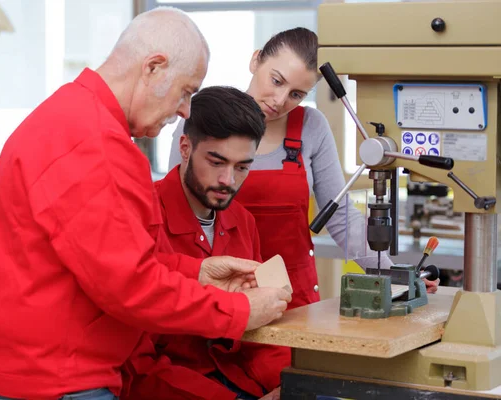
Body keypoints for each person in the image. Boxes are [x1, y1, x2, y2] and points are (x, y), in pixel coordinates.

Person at [0, 8, 292, 400]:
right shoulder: (99, 147)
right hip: (58, 378)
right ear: (153, 68)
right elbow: (132, 288)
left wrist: (198, 272)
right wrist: (239, 313)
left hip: (21, 364)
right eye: (186, 91)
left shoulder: (65, 114)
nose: (185, 111)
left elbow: (109, 258)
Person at [168, 27, 440, 310]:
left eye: (296, 94)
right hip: (217, 293)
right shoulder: (202, 118)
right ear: (256, 60)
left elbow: (341, 217)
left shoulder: (311, 126)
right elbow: (176, 217)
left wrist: (394, 276)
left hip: (292, 299)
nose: (279, 100)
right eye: (276, 80)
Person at [121, 86, 286, 400]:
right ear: (185, 148)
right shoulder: (140, 217)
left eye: (242, 167)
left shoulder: (244, 222)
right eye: (216, 162)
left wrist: (288, 384)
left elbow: (260, 336)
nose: (228, 180)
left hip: (241, 381)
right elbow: (137, 365)